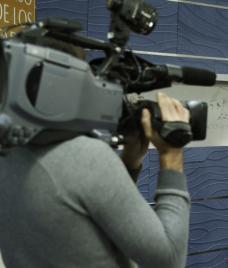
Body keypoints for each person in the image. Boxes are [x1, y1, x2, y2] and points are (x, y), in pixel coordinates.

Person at [0, 38, 191, 268]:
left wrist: (128, 163)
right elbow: (169, 259)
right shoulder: (86, 156)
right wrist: (171, 157)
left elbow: (85, 214)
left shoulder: (10, 152)